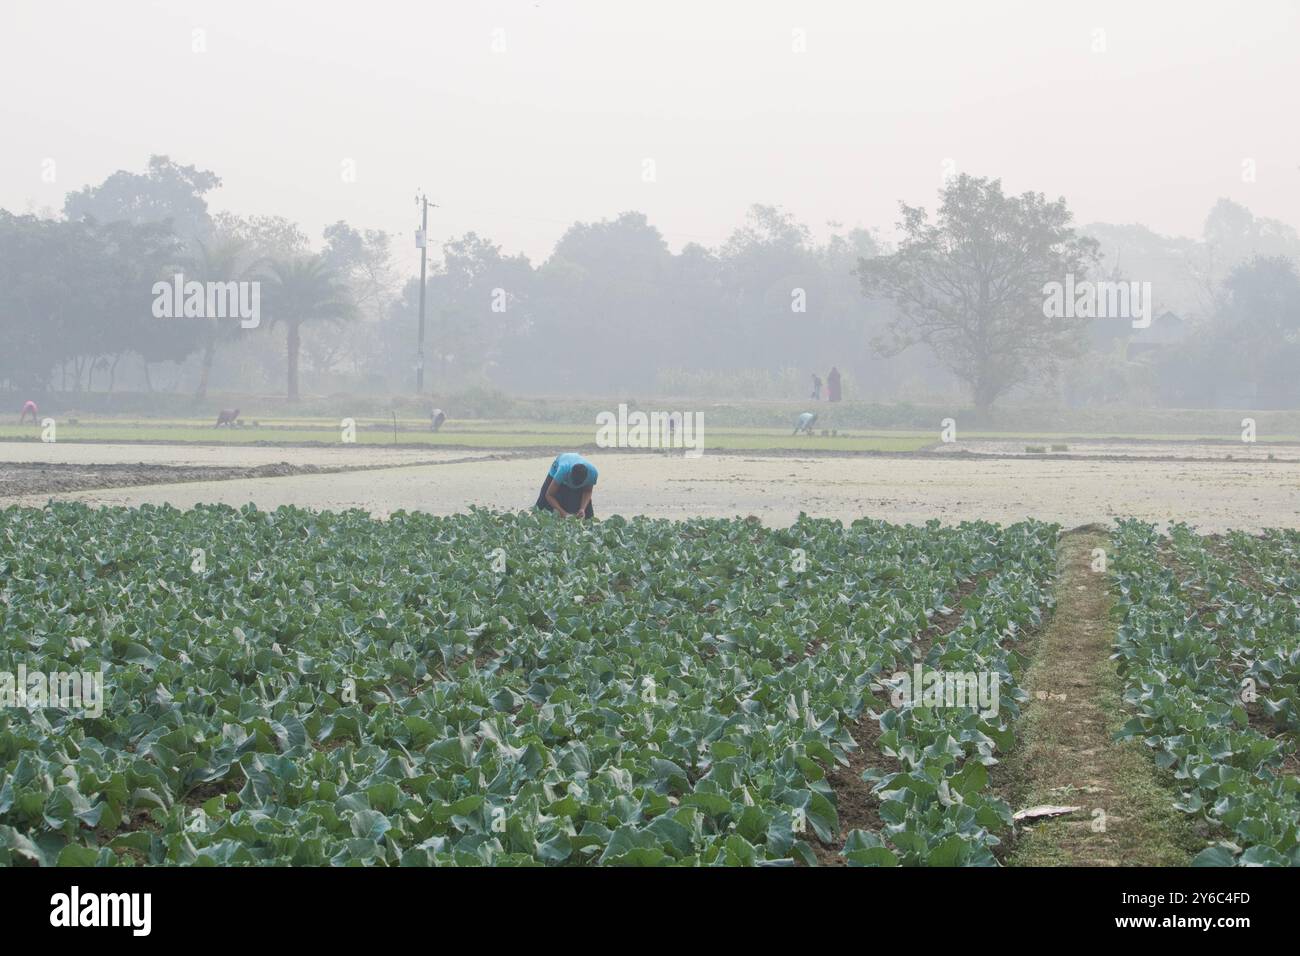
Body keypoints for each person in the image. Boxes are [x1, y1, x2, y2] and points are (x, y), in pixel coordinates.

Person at [535, 452, 597, 518]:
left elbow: (587, 491)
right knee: (544, 504)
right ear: (569, 475)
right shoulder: (563, 470)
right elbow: (549, 495)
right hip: (560, 466)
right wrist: (564, 514)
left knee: (581, 510)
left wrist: (582, 509)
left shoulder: (593, 473)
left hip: (573, 463)